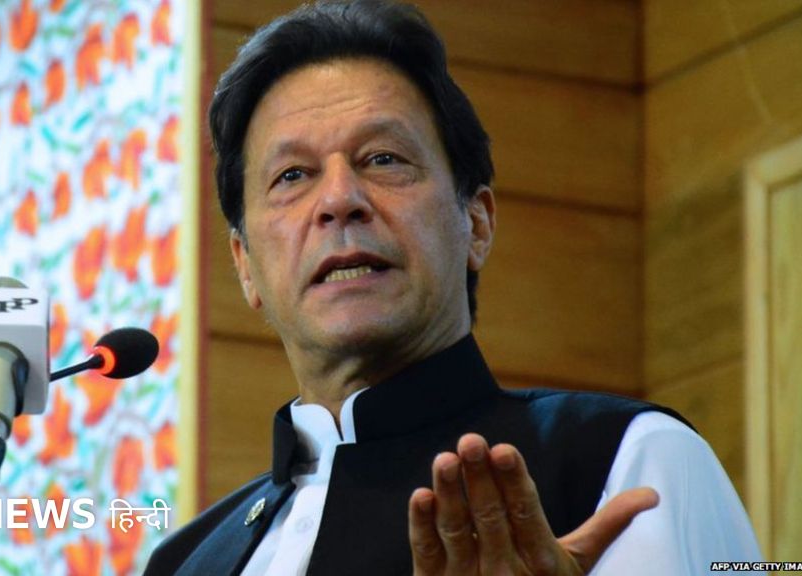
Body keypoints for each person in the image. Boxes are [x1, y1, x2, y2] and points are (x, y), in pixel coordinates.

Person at [145, 1, 762, 574]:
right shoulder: (185, 560)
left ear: (477, 223)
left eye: (383, 159)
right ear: (245, 265)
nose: (339, 199)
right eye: (292, 175)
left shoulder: (626, 459)